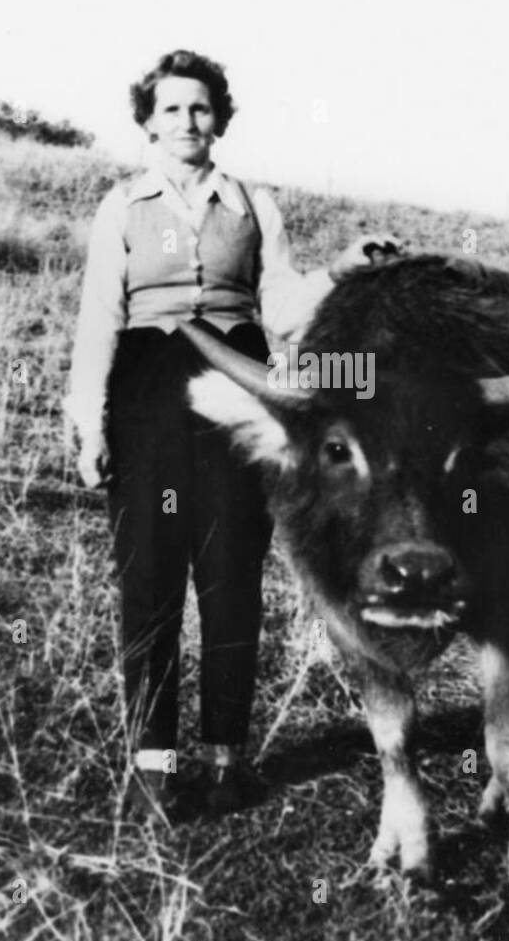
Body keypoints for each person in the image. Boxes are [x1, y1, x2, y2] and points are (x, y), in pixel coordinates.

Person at [65, 49, 394, 820]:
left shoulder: (252, 206)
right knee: (149, 578)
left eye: (201, 107)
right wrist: (90, 424)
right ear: (148, 122)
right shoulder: (121, 205)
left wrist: (340, 272)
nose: (187, 120)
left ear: (220, 119)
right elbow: (98, 320)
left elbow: (280, 310)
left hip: (241, 394)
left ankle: (225, 759)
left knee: (230, 574)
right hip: (148, 393)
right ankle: (152, 765)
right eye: (171, 108)